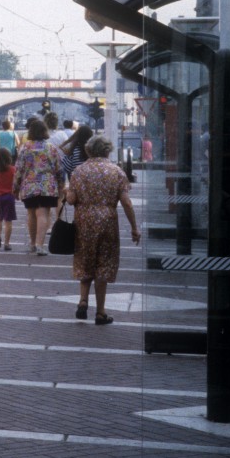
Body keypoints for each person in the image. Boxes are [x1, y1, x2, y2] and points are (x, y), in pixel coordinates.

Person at [65, 135, 140, 325]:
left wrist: (70, 192)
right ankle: (100, 312)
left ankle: (83, 301)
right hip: (107, 220)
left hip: (84, 220)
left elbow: (71, 200)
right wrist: (134, 227)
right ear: (107, 150)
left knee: (85, 259)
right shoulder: (116, 172)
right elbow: (126, 202)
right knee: (104, 264)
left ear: (88, 150)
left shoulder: (78, 171)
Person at [13, 117, 66, 256]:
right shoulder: (51, 148)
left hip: (29, 185)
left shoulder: (25, 148)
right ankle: (40, 245)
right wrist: (61, 185)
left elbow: (18, 169)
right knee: (43, 214)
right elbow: (59, 169)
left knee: (31, 214)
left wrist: (15, 188)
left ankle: (31, 243)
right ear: (44, 131)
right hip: (47, 185)